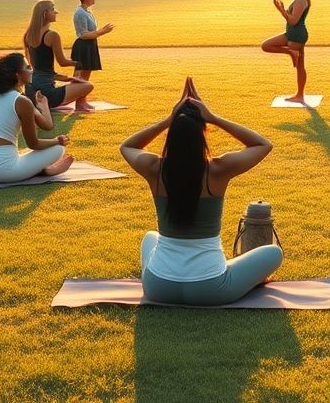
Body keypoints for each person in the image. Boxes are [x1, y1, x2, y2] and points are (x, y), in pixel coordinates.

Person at [120, 78, 283, 305]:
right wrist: (213, 117)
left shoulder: (154, 169)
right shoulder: (218, 170)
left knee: (150, 237)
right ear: (202, 136)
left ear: (171, 136)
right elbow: (263, 145)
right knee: (273, 254)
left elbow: (127, 146)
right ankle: (248, 278)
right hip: (211, 289)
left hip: (158, 288)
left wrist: (168, 120)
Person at [0, 53, 74, 182]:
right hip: (2, 171)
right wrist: (58, 141)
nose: (31, 70)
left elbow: (47, 125)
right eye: (28, 67)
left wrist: (43, 105)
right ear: (17, 75)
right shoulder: (22, 101)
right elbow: (34, 144)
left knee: (22, 153)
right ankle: (45, 170)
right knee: (58, 149)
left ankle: (41, 169)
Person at [22, 0, 94, 110]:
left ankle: (48, 102)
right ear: (45, 14)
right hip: (47, 93)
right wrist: (78, 63)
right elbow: (63, 62)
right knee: (89, 86)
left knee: (61, 85)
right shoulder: (52, 35)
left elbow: (37, 69)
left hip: (31, 90)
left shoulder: (28, 35)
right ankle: (63, 104)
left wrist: (67, 78)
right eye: (53, 9)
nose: (56, 12)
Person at [260, 0, 311, 103]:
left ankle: (300, 95)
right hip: (291, 33)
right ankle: (290, 52)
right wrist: (282, 9)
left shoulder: (301, 0)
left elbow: (293, 21)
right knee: (266, 45)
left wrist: (281, 10)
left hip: (296, 35)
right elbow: (292, 18)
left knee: (300, 66)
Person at [70, 0, 113, 113]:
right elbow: (83, 34)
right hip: (83, 46)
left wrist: (100, 32)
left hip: (89, 46)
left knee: (86, 75)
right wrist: (102, 32)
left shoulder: (87, 12)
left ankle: (82, 101)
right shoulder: (80, 13)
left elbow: (92, 32)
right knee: (80, 76)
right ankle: (78, 103)